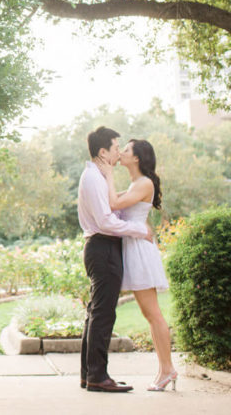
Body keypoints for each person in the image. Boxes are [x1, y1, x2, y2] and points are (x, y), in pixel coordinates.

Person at [77, 126, 153, 393]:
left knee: (95, 313)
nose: (119, 152)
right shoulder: (94, 178)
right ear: (103, 151)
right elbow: (106, 221)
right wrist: (139, 230)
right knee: (102, 314)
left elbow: (110, 212)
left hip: (101, 247)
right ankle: (98, 376)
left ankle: (90, 375)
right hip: (103, 247)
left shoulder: (98, 176)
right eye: (116, 147)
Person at [108, 138, 178, 391]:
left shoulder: (144, 183)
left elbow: (114, 204)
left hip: (139, 252)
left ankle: (168, 369)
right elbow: (114, 200)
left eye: (125, 150)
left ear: (136, 158)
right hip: (134, 247)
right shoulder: (136, 183)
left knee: (153, 314)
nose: (121, 153)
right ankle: (164, 369)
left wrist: (106, 172)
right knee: (150, 314)